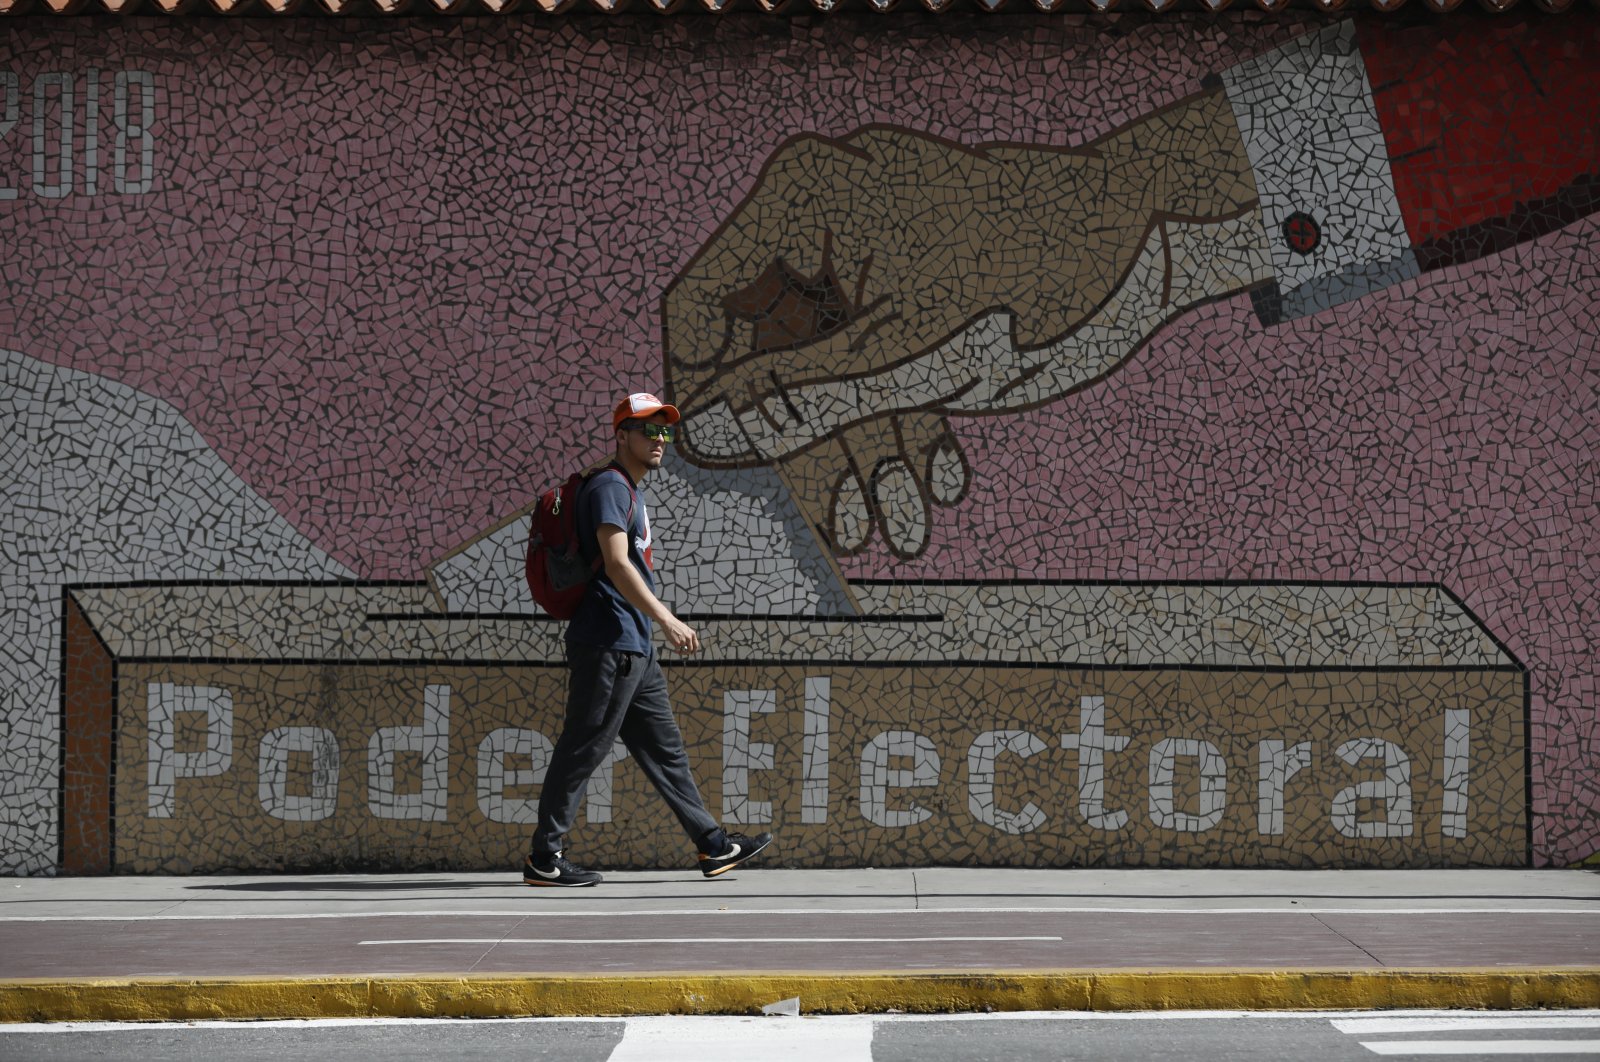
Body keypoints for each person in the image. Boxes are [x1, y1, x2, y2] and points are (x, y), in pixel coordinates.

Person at [523, 391, 774, 887]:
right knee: (583, 748)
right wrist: (667, 619)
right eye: (648, 430)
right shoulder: (611, 488)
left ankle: (714, 847)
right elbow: (616, 563)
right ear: (621, 436)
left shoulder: (630, 492)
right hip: (609, 640)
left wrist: (651, 628)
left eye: (666, 431)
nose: (660, 440)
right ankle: (543, 858)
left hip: (632, 646)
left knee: (666, 753)